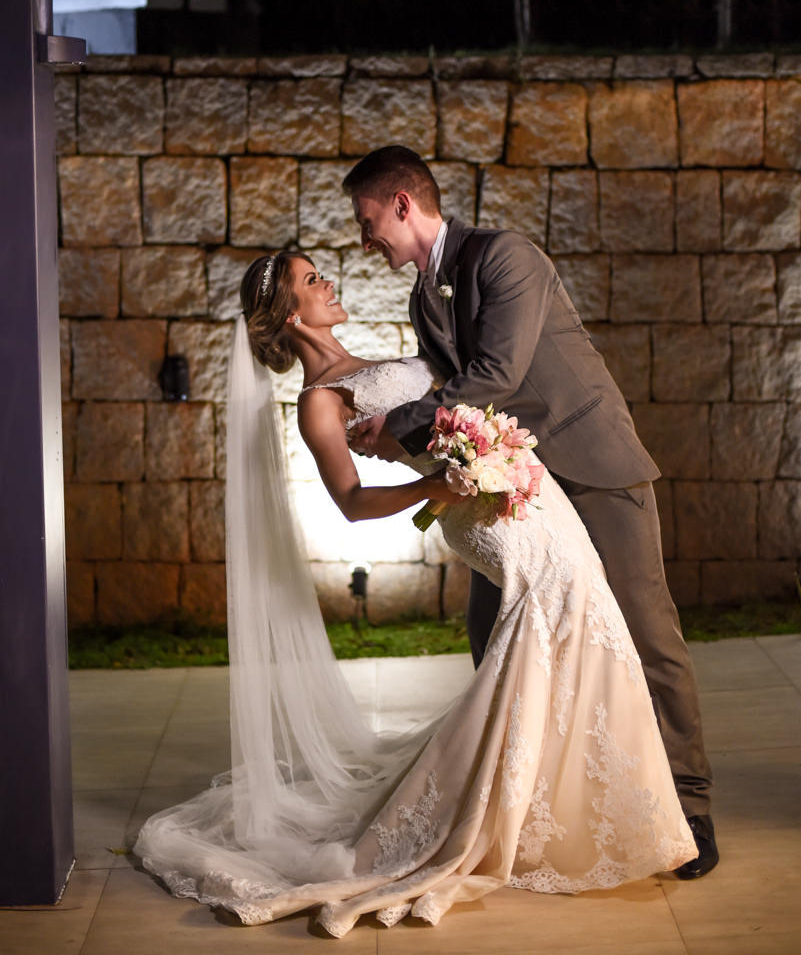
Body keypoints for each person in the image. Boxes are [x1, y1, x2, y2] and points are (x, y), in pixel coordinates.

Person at [134, 247, 697, 936]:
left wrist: (488, 445)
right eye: (311, 280)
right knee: (560, 612)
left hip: (522, 484)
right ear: (291, 314)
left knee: (583, 615)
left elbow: (459, 399)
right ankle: (530, 804)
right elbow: (351, 503)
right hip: (476, 511)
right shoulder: (319, 403)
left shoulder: (372, 361)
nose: (328, 281)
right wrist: (436, 486)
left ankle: (563, 793)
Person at [343, 145, 717, 881]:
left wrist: (399, 427)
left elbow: (496, 374)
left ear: (401, 204)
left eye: (366, 221)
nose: (364, 240)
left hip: (592, 465)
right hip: (515, 484)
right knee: (493, 633)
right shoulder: (422, 298)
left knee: (645, 631)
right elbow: (447, 389)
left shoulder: (505, 255)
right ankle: (526, 799)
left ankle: (691, 805)